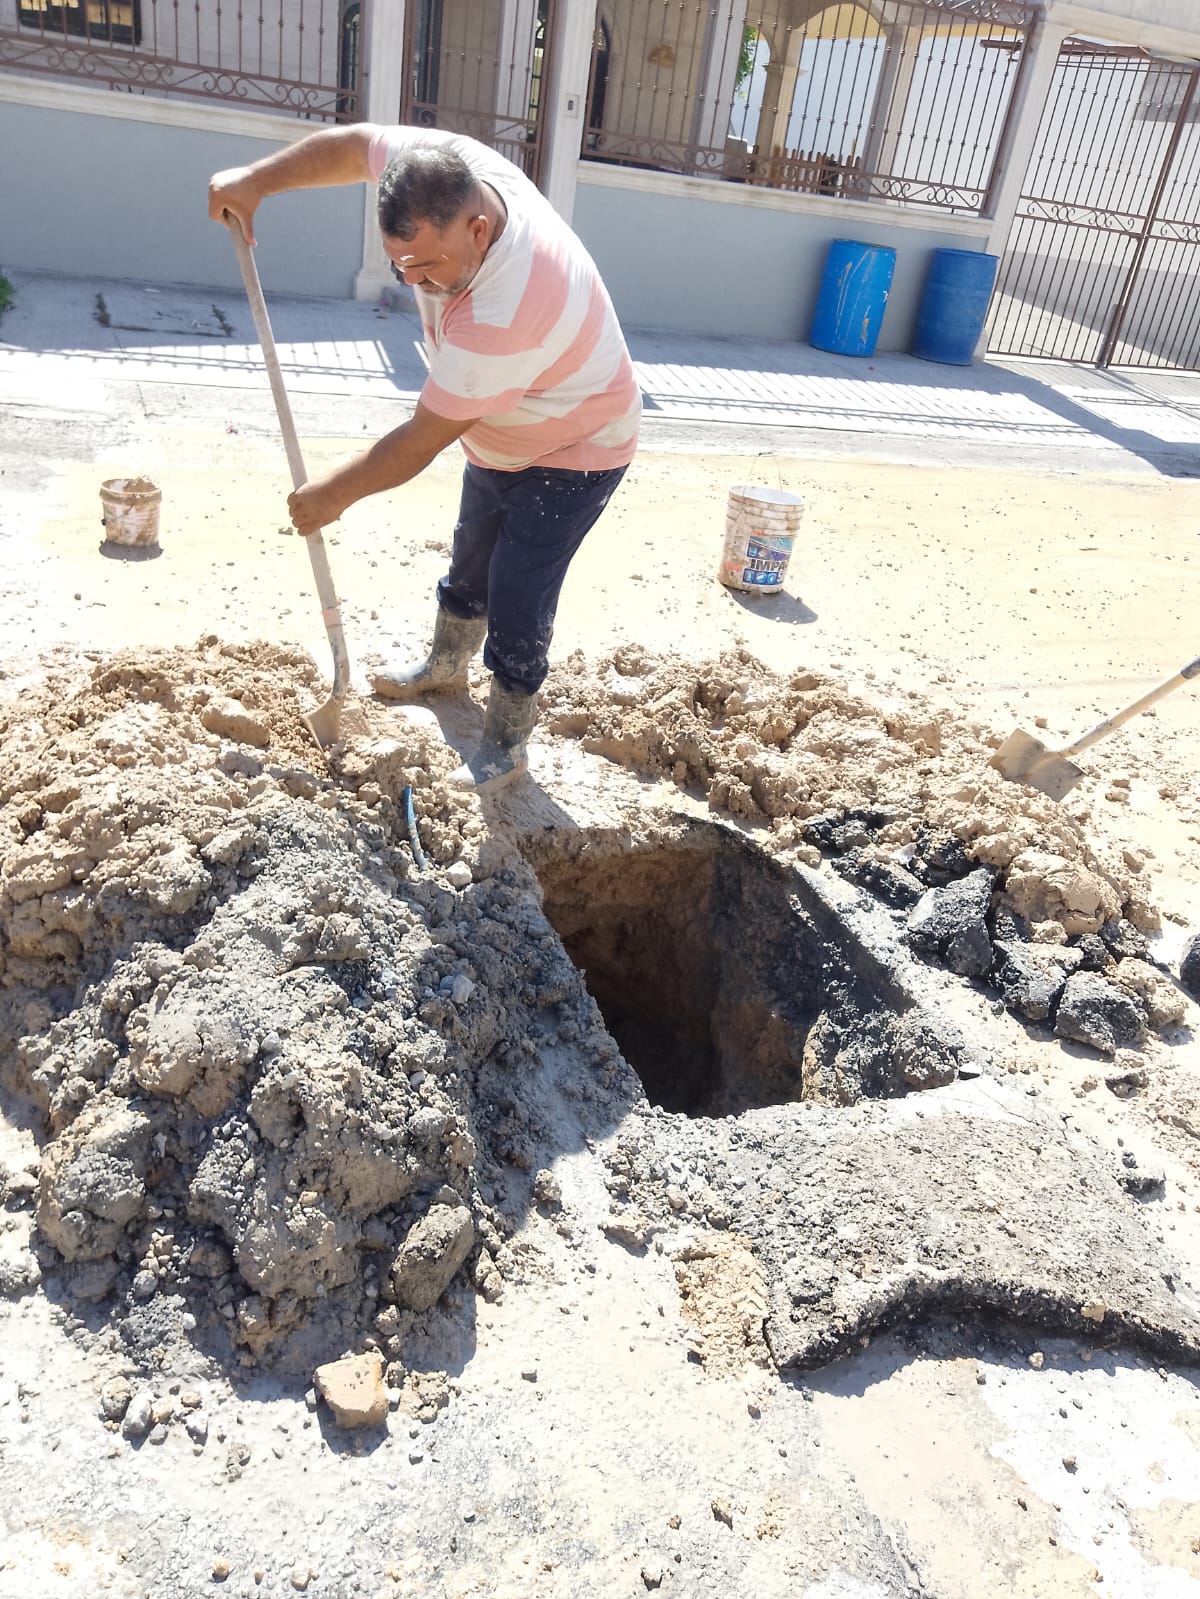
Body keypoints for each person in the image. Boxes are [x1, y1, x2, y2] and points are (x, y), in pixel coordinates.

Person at [209, 124, 640, 791]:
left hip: (579, 443)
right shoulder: (441, 172)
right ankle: (445, 665)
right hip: (505, 422)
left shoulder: (510, 303)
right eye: (400, 264)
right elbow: (355, 148)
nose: (413, 282)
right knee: (472, 553)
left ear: (475, 229)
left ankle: (506, 739)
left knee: (520, 580)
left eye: (425, 266)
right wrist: (258, 179)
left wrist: (332, 494)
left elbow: (419, 441)